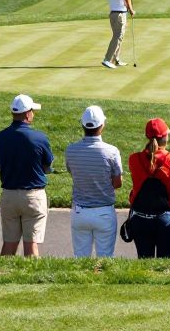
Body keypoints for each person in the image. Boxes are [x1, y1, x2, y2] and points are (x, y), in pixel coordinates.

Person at [0, 94, 54, 257]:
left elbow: (0, 162)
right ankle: (31, 281)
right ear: (27, 114)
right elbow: (47, 165)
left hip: (9, 196)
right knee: (31, 246)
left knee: (9, 245)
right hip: (33, 197)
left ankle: (1, 277)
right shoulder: (40, 138)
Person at [65, 105, 123, 258]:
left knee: (80, 260)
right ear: (102, 125)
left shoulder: (71, 150)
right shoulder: (112, 151)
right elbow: (118, 183)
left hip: (80, 212)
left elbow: (74, 173)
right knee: (104, 260)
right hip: (104, 212)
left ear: (83, 125)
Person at [126, 117, 170, 258]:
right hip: (166, 220)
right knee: (165, 264)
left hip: (141, 219)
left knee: (144, 264)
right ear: (165, 137)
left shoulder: (133, 159)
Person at [102, 0, 135, 69]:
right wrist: (131, 10)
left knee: (119, 36)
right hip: (119, 14)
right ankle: (107, 59)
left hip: (115, 14)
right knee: (117, 37)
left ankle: (116, 59)